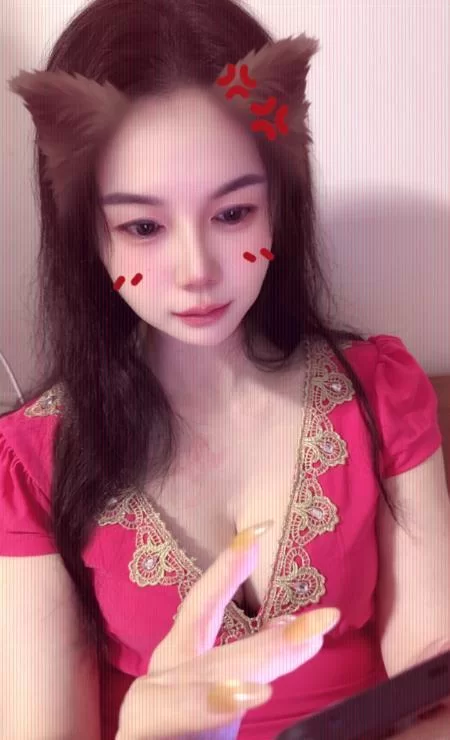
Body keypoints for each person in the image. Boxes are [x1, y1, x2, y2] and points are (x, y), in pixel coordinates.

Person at [1, 0, 449, 738]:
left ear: (278, 203)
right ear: (88, 232)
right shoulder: (31, 464)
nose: (197, 271)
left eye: (233, 213)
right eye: (143, 225)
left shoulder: (380, 394)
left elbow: (433, 685)